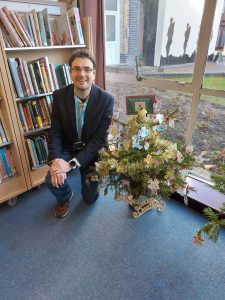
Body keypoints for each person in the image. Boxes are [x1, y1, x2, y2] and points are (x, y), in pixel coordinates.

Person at [45, 49, 114, 218]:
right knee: (51, 178)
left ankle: (86, 185)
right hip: (68, 146)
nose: (82, 74)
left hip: (92, 151)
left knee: (90, 198)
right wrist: (56, 161)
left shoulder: (106, 100)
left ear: (94, 73)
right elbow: (55, 132)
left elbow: (99, 140)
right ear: (70, 72)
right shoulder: (59, 96)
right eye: (76, 69)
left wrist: (71, 164)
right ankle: (65, 196)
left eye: (87, 69)